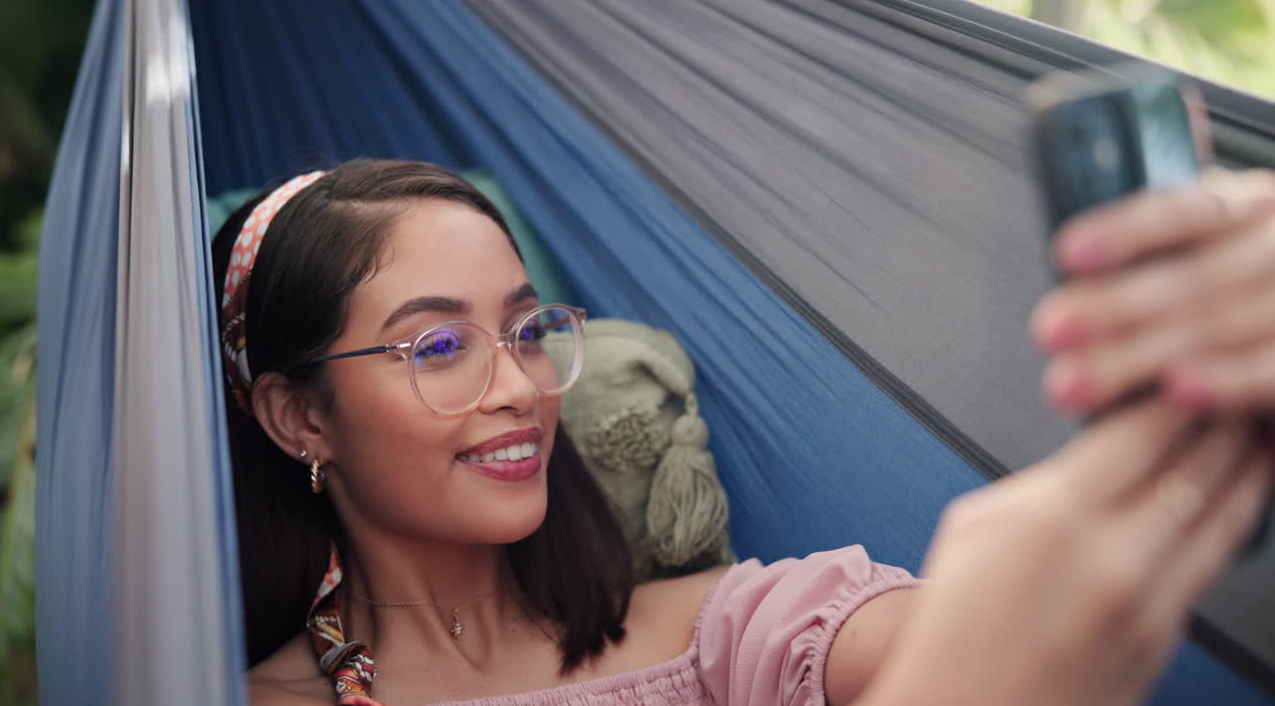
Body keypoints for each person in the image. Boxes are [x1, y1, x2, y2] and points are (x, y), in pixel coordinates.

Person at [212, 159, 1275, 706]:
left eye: (528, 330)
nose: (520, 387)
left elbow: (985, 635)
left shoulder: (734, 636)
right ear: (301, 416)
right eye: (440, 347)